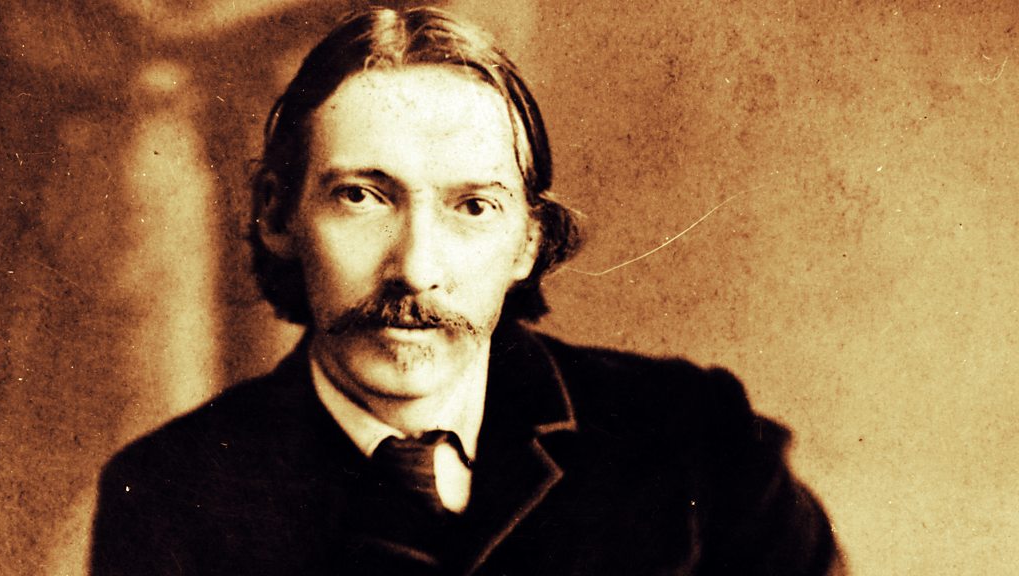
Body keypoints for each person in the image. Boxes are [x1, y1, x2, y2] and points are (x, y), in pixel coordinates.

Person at [91, 6, 844, 575]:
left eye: (473, 207)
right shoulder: (168, 493)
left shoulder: (698, 441)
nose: (416, 268)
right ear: (277, 214)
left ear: (529, 241)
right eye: (362, 197)